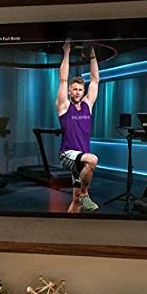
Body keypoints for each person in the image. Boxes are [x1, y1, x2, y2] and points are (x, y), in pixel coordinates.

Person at [57, 38, 101, 213]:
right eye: (74, 89)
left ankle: (72, 222)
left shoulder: (87, 106)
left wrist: (92, 54)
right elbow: (62, 79)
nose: (77, 92)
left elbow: (95, 80)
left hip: (80, 160)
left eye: (80, 90)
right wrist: (66, 52)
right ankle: (85, 195)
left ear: (83, 92)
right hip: (67, 155)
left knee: (74, 201)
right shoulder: (64, 107)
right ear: (69, 91)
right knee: (93, 159)